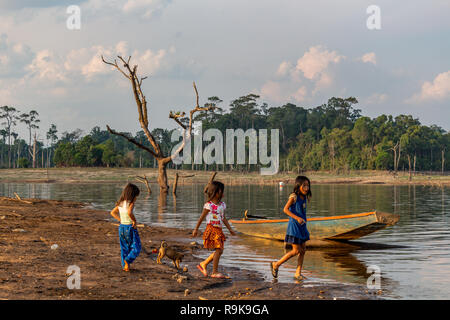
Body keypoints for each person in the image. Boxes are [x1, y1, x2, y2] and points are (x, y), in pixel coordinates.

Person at [270, 176, 311, 281]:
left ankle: (298, 273)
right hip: (294, 227)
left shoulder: (304, 197)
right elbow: (285, 209)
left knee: (303, 250)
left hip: (302, 227)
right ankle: (276, 264)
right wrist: (297, 218)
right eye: (304, 185)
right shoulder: (294, 196)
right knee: (296, 251)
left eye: (308, 185)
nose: (306, 188)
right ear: (298, 186)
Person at [192, 181, 236, 278]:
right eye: (221, 191)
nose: (223, 193)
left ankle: (203, 264)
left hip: (219, 230)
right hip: (211, 229)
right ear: (216, 193)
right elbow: (201, 217)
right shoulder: (209, 205)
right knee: (219, 249)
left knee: (220, 251)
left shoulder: (222, 205)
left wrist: (230, 229)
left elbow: (223, 218)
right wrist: (196, 229)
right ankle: (214, 272)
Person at [110, 183, 142, 272]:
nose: (136, 199)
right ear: (133, 195)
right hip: (130, 228)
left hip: (122, 228)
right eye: (136, 196)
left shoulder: (120, 203)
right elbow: (129, 213)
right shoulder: (131, 204)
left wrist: (120, 220)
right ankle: (127, 260)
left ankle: (125, 266)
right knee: (136, 247)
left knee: (124, 247)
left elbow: (112, 213)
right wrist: (134, 221)